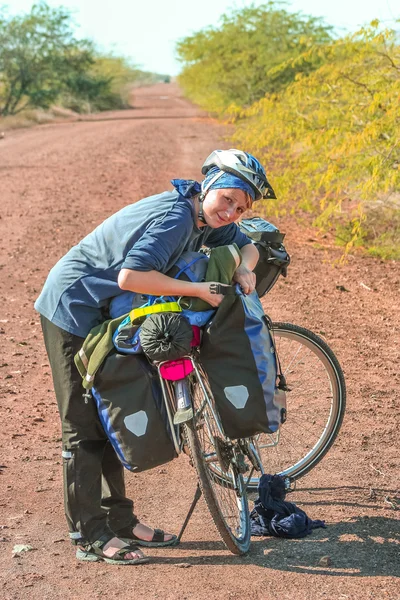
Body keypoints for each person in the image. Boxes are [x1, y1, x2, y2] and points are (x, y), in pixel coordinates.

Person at [34, 148, 276, 565]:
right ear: (210, 185)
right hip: (74, 308)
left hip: (107, 311)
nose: (233, 211)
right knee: (83, 423)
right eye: (228, 199)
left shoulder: (206, 218)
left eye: (241, 206)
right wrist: (200, 291)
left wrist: (243, 267)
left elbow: (248, 244)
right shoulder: (177, 217)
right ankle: (89, 535)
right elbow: (131, 276)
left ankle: (121, 522)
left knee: (111, 411)